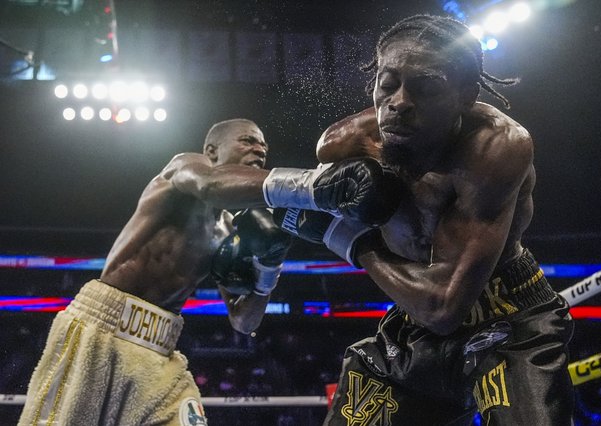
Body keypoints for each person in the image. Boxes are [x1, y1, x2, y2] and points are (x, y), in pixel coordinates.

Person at [278, 14, 574, 425]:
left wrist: (352, 241)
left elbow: (445, 306)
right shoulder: (344, 145)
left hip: (509, 318)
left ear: (465, 95)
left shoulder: (495, 147)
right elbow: (228, 187)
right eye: (388, 83)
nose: (399, 101)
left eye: (425, 87)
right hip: (412, 321)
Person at [18, 116, 404, 426]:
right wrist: (312, 186)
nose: (259, 149)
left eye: (263, 146)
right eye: (248, 141)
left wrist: (269, 269)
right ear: (212, 150)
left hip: (161, 347)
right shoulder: (183, 169)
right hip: (102, 326)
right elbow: (210, 185)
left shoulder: (232, 230)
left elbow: (243, 322)